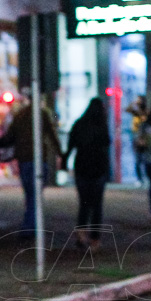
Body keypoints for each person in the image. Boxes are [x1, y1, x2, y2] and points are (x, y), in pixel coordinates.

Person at [0, 96, 62, 234]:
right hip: (38, 159)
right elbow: (52, 135)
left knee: (30, 193)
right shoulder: (42, 114)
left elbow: (9, 137)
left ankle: (29, 224)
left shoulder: (20, 115)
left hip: (24, 159)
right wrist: (61, 153)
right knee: (36, 194)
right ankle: (30, 226)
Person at [64, 98, 112, 250]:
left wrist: (65, 161)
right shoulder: (102, 126)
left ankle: (81, 234)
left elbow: (71, 145)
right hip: (98, 168)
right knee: (97, 205)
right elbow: (107, 143)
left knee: (84, 203)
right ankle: (95, 239)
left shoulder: (79, 124)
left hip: (82, 167)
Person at [126, 95, 148, 184]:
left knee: (144, 157)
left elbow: (142, 116)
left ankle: (145, 176)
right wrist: (133, 103)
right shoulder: (135, 112)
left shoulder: (145, 112)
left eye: (139, 100)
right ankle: (140, 178)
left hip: (144, 136)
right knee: (138, 158)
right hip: (136, 135)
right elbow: (127, 109)